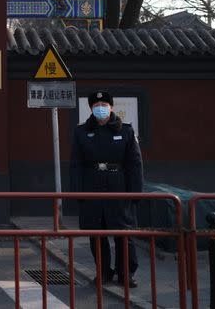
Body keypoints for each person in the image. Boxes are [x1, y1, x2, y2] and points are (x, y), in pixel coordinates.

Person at [70, 90, 143, 288]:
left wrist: (136, 192)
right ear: (91, 109)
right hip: (92, 186)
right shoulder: (81, 132)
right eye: (96, 106)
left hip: (118, 186)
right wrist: (76, 192)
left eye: (104, 105)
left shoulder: (125, 131)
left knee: (123, 233)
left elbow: (134, 164)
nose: (100, 109)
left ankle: (125, 273)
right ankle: (103, 272)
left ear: (111, 108)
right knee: (97, 233)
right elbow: (76, 163)